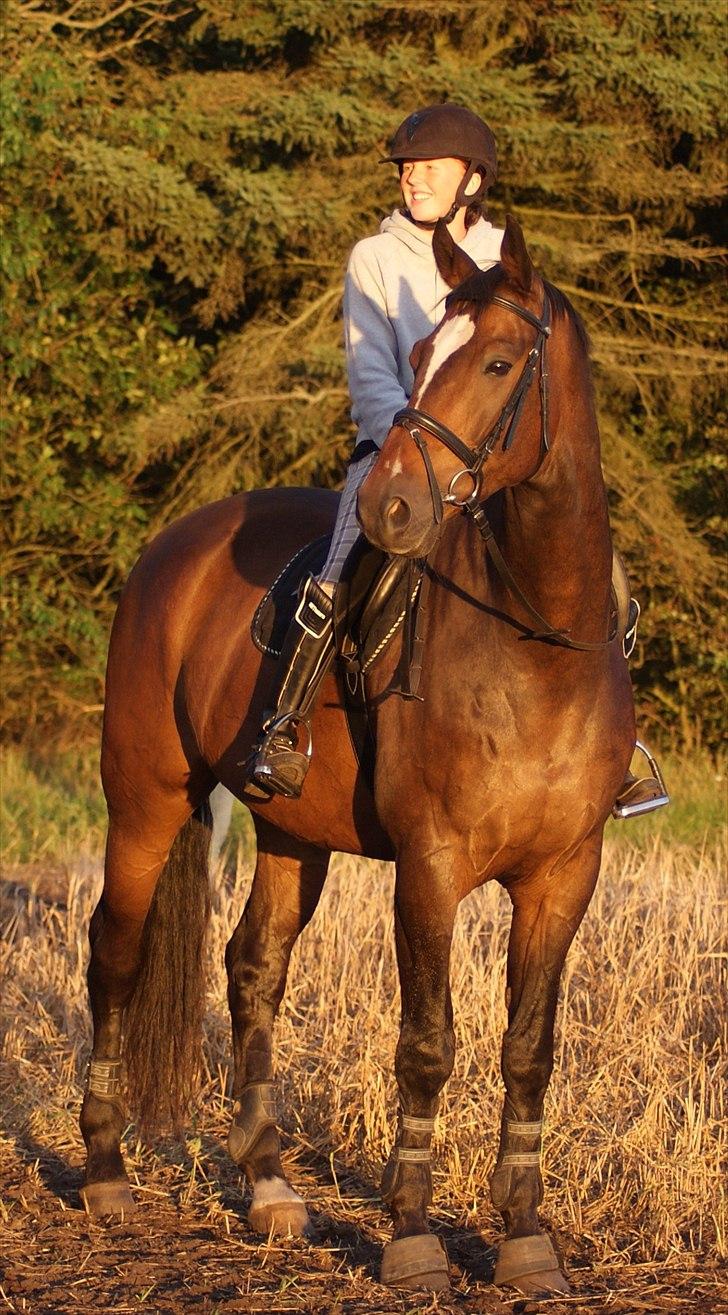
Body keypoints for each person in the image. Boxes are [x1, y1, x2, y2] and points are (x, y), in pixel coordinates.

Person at [246, 104, 669, 820]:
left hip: (497, 466)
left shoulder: (510, 258)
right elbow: (372, 376)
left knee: (605, 578)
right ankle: (285, 725)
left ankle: (617, 744)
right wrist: (424, 451)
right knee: (338, 568)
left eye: (429, 167)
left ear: (472, 178)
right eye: (407, 169)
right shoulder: (373, 260)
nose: (412, 179)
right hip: (403, 456)